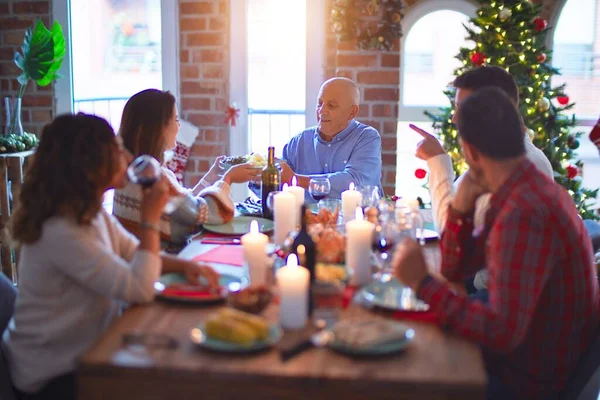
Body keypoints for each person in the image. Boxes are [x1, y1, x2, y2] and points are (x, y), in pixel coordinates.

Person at [393, 87, 600, 400]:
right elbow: (454, 268)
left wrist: (422, 282)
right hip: (528, 354)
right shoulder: (520, 184)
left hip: (526, 381)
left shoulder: (523, 211)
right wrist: (460, 208)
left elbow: (501, 333)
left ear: (471, 152)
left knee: (405, 369)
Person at [2, 113, 221, 400]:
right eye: (116, 148)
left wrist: (186, 265)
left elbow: (134, 253)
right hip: (50, 376)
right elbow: (140, 289)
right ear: (90, 164)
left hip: (88, 350)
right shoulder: (60, 231)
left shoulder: (90, 215)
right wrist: (150, 218)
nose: (127, 155)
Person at [412, 66, 553, 293]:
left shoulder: (521, 168)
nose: (455, 118)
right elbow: (459, 229)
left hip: (490, 292)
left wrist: (437, 161)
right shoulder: (496, 157)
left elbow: (452, 240)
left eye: (464, 109)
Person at [113, 89, 259, 250]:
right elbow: (207, 214)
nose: (179, 125)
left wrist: (211, 177)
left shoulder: (130, 172)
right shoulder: (154, 178)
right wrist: (228, 179)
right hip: (165, 263)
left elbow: (184, 208)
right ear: (158, 128)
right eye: (175, 119)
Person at [281, 77, 382, 199]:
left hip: (354, 218)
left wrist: (296, 179)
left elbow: (355, 183)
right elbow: (276, 187)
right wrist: (258, 176)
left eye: (331, 105)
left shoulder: (367, 138)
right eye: (320, 103)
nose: (322, 111)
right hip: (307, 218)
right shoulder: (298, 141)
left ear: (352, 112)